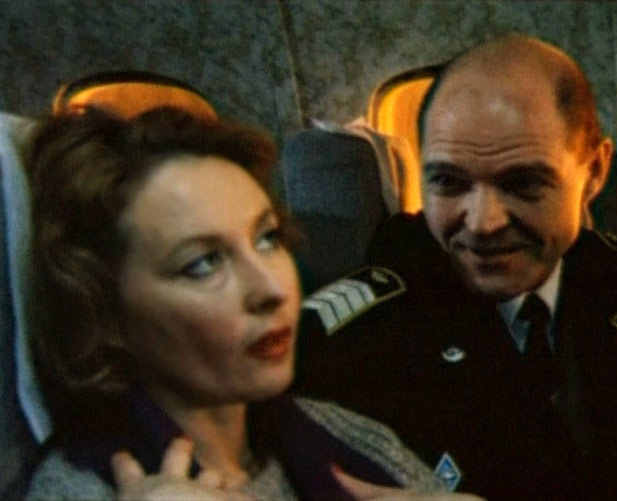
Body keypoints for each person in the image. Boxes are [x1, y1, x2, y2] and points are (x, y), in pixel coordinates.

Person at [296, 34, 617, 500]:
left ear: (594, 173)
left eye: (524, 184)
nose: (483, 223)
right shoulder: (356, 345)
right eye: (449, 182)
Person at [23, 106, 482, 501]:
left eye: (267, 239)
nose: (272, 288)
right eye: (202, 264)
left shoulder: (343, 435)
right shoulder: (75, 489)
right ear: (106, 316)